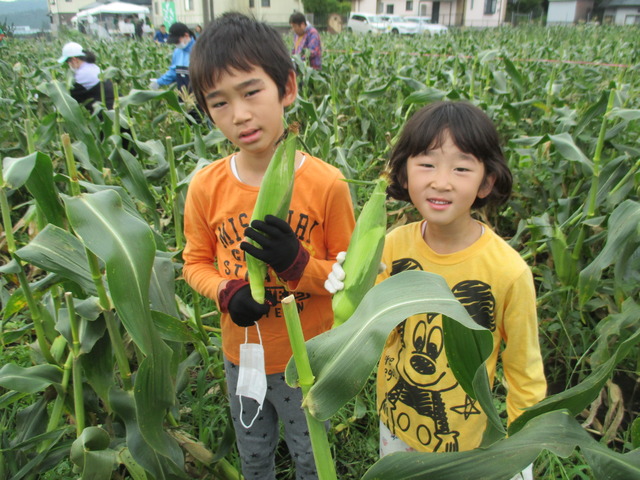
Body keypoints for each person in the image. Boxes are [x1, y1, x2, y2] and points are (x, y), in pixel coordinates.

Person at [326, 101, 546, 479]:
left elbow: (524, 369)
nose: (441, 181)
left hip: (470, 445)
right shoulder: (392, 245)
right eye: (426, 164)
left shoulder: (508, 271)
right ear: (404, 174)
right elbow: (370, 330)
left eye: (461, 168)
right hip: (397, 426)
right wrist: (347, 292)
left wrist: (521, 447)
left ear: (486, 182)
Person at [184, 12, 355, 480]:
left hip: (310, 361)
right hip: (244, 359)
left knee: (310, 459)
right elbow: (194, 263)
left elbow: (353, 277)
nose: (238, 115)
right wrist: (225, 291)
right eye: (218, 103)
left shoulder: (327, 184)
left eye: (251, 92)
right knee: (254, 457)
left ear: (287, 88)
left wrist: (298, 263)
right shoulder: (205, 187)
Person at [57, 41, 114, 112]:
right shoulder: (93, 67)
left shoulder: (82, 74)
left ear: (74, 59)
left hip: (108, 112)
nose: (68, 64)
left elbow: (66, 96)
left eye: (67, 61)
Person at [149, 22, 195, 92]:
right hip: (183, 96)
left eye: (177, 41)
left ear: (186, 36)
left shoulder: (199, 50)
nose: (176, 44)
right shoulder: (177, 52)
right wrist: (159, 82)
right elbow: (174, 72)